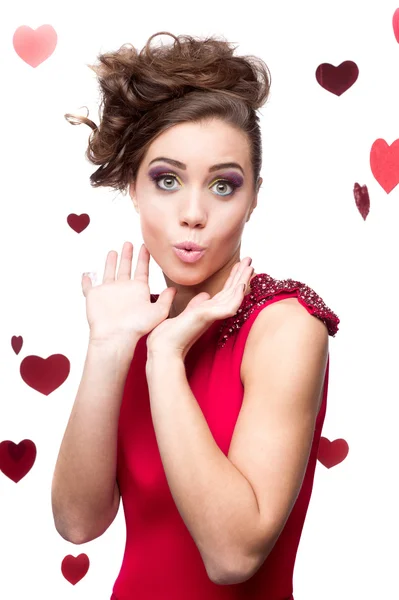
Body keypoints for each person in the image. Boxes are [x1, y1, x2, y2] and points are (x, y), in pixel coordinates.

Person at [51, 32, 340, 600]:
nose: (193, 214)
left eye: (223, 186)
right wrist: (109, 349)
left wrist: (165, 359)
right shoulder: (132, 326)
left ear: (254, 195)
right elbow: (77, 524)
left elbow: (233, 555)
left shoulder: (286, 325)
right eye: (167, 180)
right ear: (133, 188)